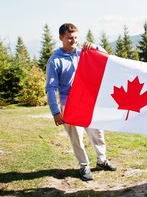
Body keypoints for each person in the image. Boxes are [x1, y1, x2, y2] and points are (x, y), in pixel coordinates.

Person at [45, 23, 117, 181]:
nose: (73, 41)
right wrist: (56, 112)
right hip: (68, 103)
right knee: (76, 136)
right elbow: (50, 88)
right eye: (70, 38)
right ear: (61, 38)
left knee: (97, 132)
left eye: (76, 37)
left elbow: (106, 57)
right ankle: (84, 165)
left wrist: (95, 47)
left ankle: (102, 161)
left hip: (88, 101)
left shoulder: (83, 53)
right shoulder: (55, 60)